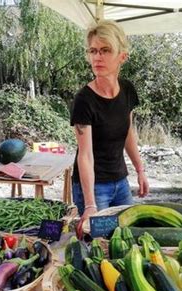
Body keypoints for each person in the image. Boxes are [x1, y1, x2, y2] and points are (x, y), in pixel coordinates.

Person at [70, 20, 149, 237]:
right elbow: (84, 155)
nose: (97, 57)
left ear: (122, 56)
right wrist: (89, 205)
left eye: (105, 50)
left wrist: (140, 171)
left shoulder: (128, 90)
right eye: (93, 51)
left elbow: (128, 134)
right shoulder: (83, 100)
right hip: (94, 188)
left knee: (127, 238)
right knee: (98, 247)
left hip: (121, 183)